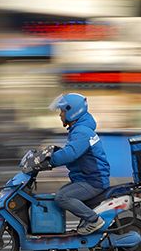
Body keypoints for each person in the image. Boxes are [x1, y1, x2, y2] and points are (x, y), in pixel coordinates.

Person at [47, 93, 111, 235]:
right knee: (60, 193)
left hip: (92, 181)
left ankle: (94, 220)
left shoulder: (82, 132)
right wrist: (52, 153)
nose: (60, 115)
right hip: (87, 178)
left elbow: (70, 153)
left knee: (62, 197)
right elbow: (72, 151)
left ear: (72, 112)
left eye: (62, 111)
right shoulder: (80, 130)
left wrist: (50, 160)